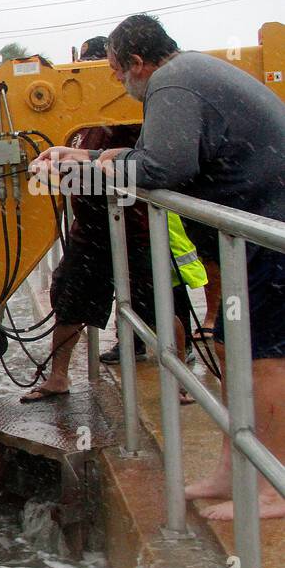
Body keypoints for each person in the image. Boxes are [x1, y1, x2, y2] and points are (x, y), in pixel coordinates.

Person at [34, 14, 285, 520]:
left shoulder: (171, 83)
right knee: (234, 351)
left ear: (136, 62)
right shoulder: (187, 74)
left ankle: (272, 486)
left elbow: (163, 168)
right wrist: (89, 154)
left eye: (116, 70)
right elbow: (153, 152)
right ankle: (230, 470)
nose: (118, 82)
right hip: (254, 231)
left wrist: (80, 169)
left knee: (266, 359)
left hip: (270, 234)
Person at [20, 37, 202, 405]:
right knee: (70, 300)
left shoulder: (131, 112)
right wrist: (47, 169)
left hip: (138, 227)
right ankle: (58, 377)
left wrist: (65, 174)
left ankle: (182, 379)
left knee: (161, 305)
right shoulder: (78, 121)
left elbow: (137, 167)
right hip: (89, 230)